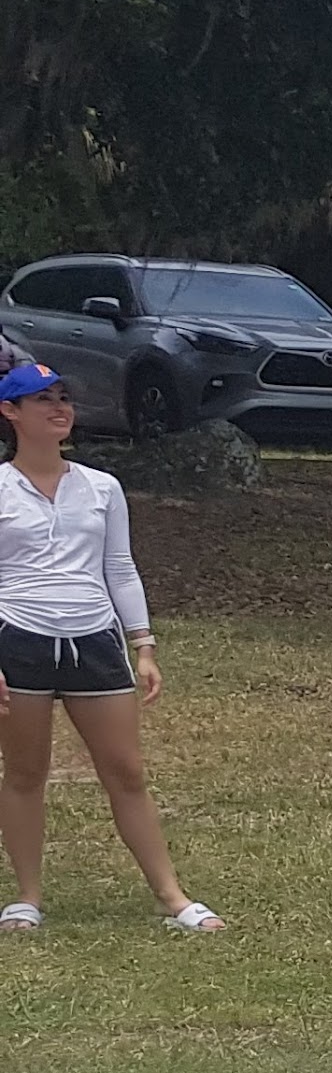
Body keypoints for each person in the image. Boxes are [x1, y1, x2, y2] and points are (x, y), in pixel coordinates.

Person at [0, 362, 220, 932]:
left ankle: (174, 898)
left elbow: (119, 568)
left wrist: (142, 643)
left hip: (94, 639)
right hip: (17, 636)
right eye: (42, 399)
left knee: (125, 771)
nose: (59, 409)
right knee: (25, 772)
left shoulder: (101, 487)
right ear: (10, 412)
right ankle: (26, 898)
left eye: (64, 398)